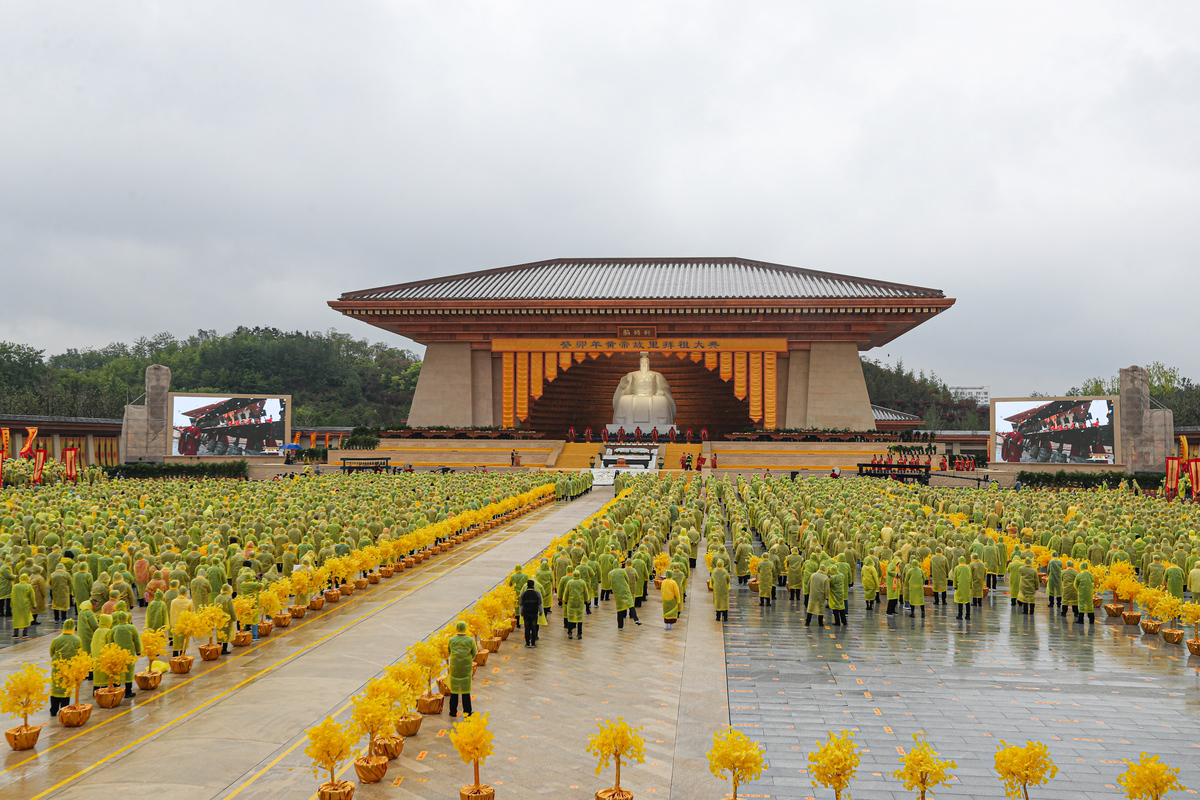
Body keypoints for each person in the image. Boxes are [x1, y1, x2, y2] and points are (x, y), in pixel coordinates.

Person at [49, 619, 82, 716]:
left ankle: (53, 710)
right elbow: (80, 653)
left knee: (55, 687)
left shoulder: (56, 639)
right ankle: (64, 709)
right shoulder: (77, 639)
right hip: (70, 667)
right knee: (66, 688)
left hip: (57, 666)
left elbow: (52, 652)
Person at [446, 621, 477, 718]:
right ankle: (467, 711)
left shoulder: (451, 640)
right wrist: (467, 659)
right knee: (466, 690)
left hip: (455, 666)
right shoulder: (470, 640)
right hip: (465, 667)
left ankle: (452, 711)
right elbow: (474, 653)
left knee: (454, 689)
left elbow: (449, 651)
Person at [11, 574, 35, 639]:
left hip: (16, 605)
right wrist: (34, 604)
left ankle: (15, 634)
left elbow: (12, 596)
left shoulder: (15, 586)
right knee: (26, 618)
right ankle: (25, 634)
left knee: (16, 619)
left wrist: (12, 604)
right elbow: (32, 596)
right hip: (25, 605)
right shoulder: (29, 586)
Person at [519, 580, 542, 647]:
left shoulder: (524, 594)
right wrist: (541, 612)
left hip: (526, 613)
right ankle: (533, 643)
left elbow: (521, 604)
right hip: (534, 613)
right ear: (533, 585)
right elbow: (539, 604)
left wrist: (521, 612)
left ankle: (527, 643)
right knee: (534, 627)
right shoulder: (537, 593)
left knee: (527, 628)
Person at [711, 558, 730, 622]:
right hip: (724, 588)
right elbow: (728, 580)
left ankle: (718, 617)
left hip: (717, 589)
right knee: (724, 602)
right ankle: (725, 617)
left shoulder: (714, 572)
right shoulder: (725, 572)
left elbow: (712, 580)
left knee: (718, 602)